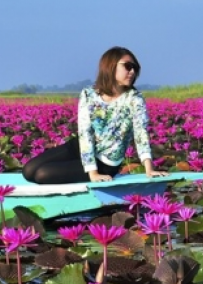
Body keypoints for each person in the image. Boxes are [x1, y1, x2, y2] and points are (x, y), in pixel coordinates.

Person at [22, 46, 167, 184]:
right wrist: (91, 171)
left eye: (135, 68)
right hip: (81, 148)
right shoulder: (88, 94)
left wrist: (149, 169)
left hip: (105, 163)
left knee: (42, 174)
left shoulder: (135, 99)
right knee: (28, 171)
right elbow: (85, 132)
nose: (132, 72)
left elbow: (141, 133)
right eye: (128, 66)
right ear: (110, 66)